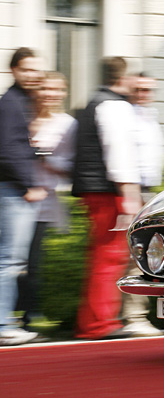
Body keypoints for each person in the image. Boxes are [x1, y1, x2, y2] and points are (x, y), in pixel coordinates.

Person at [71, 56, 141, 340]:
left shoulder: (93, 103)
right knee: (110, 257)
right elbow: (120, 153)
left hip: (94, 189)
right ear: (123, 79)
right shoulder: (116, 106)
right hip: (110, 191)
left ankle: (90, 322)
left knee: (99, 256)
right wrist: (130, 196)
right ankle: (101, 324)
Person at [18, 72, 75, 330]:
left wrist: (46, 159)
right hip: (14, 197)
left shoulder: (68, 124)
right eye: (45, 88)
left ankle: (31, 315)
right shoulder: (21, 116)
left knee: (33, 261)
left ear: (63, 93)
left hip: (44, 202)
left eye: (57, 89)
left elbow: (72, 164)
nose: (50, 94)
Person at [0, 47, 46, 346]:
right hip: (14, 192)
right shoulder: (11, 103)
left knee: (10, 260)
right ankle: (4, 324)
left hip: (14, 190)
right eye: (27, 69)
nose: (33, 75)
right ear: (14, 70)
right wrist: (27, 185)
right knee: (10, 261)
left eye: (36, 70)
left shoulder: (19, 102)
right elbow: (6, 151)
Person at [119, 73, 164, 337]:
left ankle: (142, 316)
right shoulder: (127, 117)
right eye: (138, 89)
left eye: (148, 89)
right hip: (135, 190)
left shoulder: (150, 116)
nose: (143, 93)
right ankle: (134, 318)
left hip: (150, 191)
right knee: (136, 255)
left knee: (151, 254)